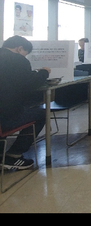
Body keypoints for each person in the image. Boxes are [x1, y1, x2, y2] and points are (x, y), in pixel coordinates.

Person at [0, 36, 51, 171]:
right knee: (41, 113)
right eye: (25, 54)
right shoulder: (17, 60)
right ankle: (14, 155)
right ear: (20, 48)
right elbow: (31, 84)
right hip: (5, 118)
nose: (25, 57)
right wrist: (44, 73)